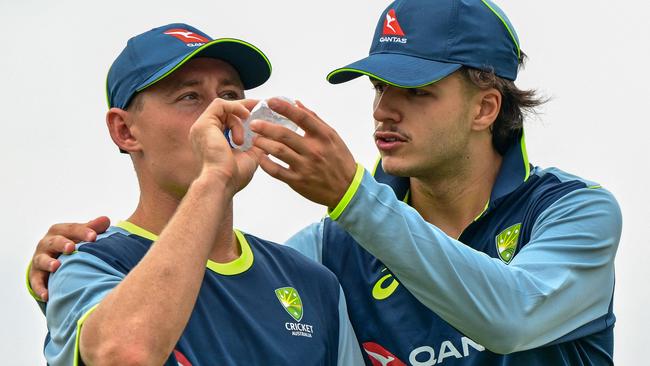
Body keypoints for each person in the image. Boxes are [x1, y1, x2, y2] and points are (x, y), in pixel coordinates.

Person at [28, 1, 621, 365]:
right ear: (122, 130)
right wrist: (70, 292)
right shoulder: (326, 252)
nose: (385, 110)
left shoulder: (574, 212)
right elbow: (219, 298)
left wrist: (350, 195)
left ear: (485, 108)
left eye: (415, 92)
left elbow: (511, 320)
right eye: (378, 88)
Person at [32, 22, 362, 365]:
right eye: (190, 97)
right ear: (125, 130)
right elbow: (127, 355)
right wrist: (215, 178)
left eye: (231, 95)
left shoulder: (312, 282)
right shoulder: (86, 263)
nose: (220, 112)